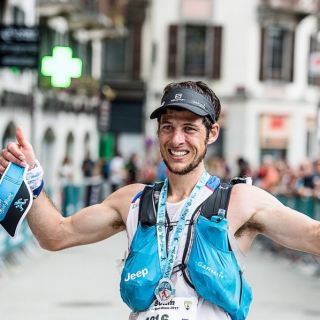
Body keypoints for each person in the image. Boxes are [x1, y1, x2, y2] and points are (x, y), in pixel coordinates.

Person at [0, 81, 320, 320]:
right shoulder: (134, 200)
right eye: (167, 127)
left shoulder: (240, 201)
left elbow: (312, 237)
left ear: (212, 133)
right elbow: (56, 234)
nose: (176, 139)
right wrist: (32, 179)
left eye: (190, 128)